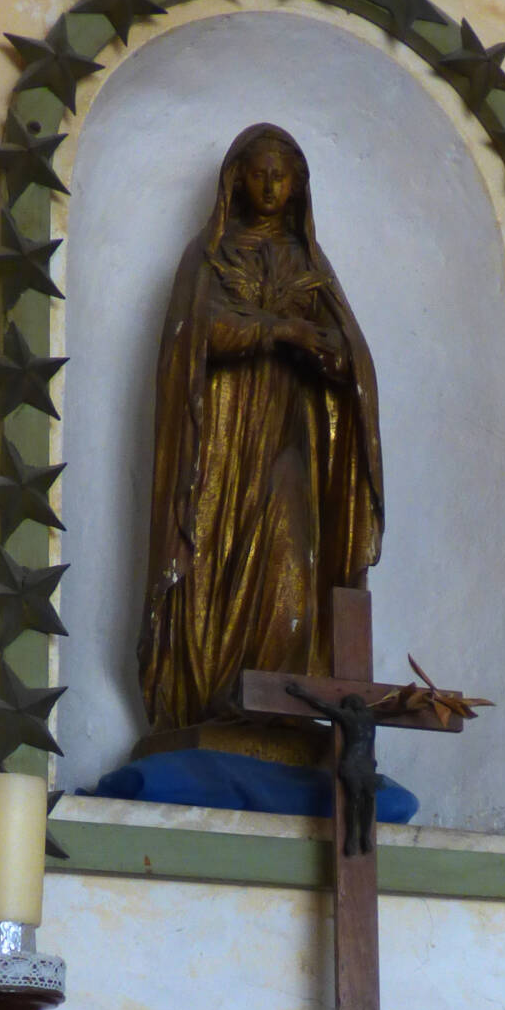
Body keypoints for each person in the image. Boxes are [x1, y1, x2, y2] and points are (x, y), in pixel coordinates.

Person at [137, 123, 384, 742]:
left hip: (287, 434)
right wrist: (281, 331)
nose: (271, 186)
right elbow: (195, 335)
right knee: (215, 555)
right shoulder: (210, 256)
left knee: (291, 544)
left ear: (299, 184)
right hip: (219, 439)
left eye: (283, 175)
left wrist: (330, 353)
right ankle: (216, 695)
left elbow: (350, 358)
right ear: (236, 180)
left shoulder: (310, 265)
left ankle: (281, 701)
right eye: (259, 173)